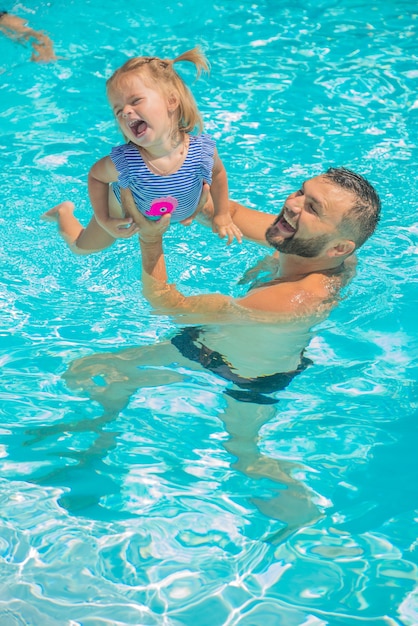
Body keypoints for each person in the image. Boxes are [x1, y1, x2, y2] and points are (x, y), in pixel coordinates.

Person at [62, 167, 380, 538]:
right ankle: (99, 439)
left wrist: (151, 240)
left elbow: (168, 305)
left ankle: (307, 520)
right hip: (227, 349)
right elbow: (228, 213)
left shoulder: (288, 301)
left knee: (243, 452)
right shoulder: (318, 247)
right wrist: (165, 180)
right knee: (103, 369)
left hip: (250, 377)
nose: (291, 204)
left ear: (339, 247)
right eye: (299, 192)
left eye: (312, 207)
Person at [41, 47, 242, 253]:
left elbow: (218, 174)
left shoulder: (201, 151)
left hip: (175, 209)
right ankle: (63, 212)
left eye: (135, 100)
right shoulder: (126, 162)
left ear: (171, 101)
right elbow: (96, 176)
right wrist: (104, 219)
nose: (126, 112)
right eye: (118, 111)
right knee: (82, 248)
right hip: (121, 209)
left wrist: (222, 214)